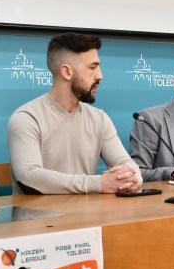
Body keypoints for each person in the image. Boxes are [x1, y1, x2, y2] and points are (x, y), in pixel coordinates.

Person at [8, 32, 141, 194]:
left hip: (89, 216)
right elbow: (28, 176)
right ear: (67, 72)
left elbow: (124, 161)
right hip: (37, 217)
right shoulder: (27, 118)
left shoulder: (99, 118)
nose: (100, 75)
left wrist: (132, 177)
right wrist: (97, 183)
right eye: (92, 67)